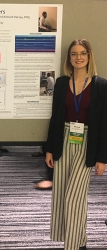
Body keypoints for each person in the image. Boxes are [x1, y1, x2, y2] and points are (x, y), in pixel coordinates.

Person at [45, 39, 107, 250]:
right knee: (62, 194)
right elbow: (55, 118)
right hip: (63, 139)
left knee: (74, 197)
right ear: (69, 58)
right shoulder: (62, 83)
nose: (78, 57)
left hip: (87, 144)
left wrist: (102, 158)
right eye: (73, 54)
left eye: (82, 53)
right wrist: (49, 149)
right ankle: (79, 242)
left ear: (89, 56)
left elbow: (105, 124)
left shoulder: (101, 85)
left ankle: (72, 246)